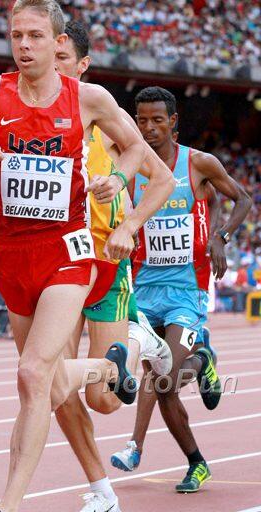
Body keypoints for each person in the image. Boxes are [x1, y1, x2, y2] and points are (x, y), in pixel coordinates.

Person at [0, 2, 175, 511]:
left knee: (36, 375)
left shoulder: (89, 99)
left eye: (34, 36)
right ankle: (105, 375)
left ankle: (7, 505)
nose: (24, 45)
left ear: (58, 42)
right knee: (43, 390)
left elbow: (138, 153)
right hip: (12, 253)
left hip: (71, 252)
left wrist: (118, 182)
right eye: (16, 36)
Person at [111, 86, 252, 493]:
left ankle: (202, 360)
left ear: (173, 122)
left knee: (166, 378)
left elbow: (242, 199)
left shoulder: (198, 163)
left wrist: (220, 236)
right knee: (159, 383)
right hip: (143, 290)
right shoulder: (129, 168)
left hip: (186, 290)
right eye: (142, 121)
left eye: (157, 120)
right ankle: (196, 463)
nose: (149, 128)